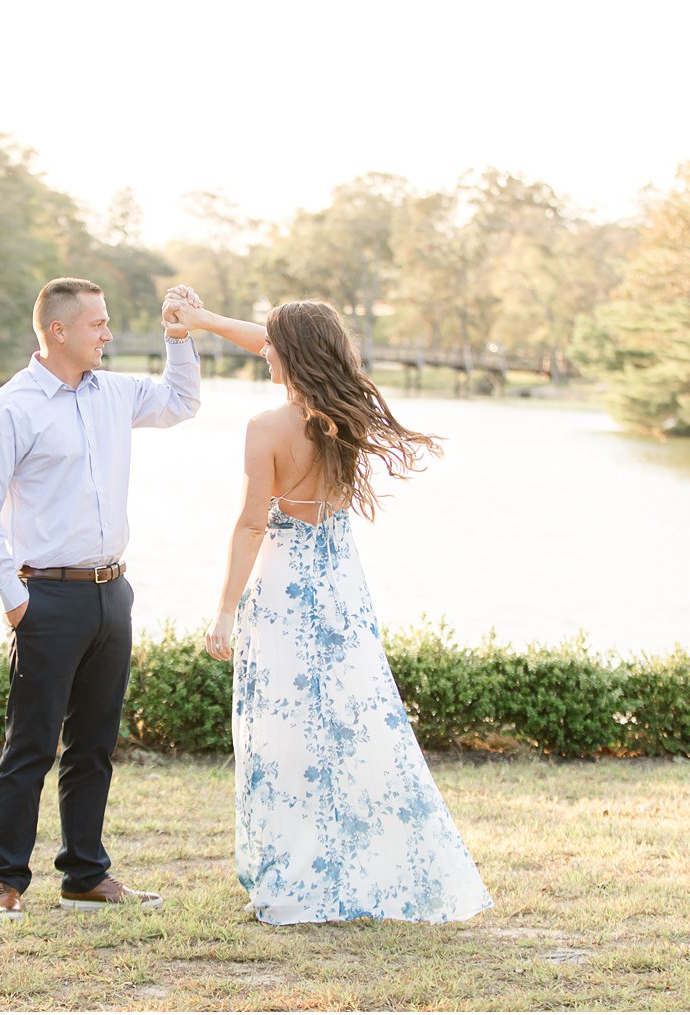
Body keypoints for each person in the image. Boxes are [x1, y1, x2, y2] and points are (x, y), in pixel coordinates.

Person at [162, 290, 494, 926]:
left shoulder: (266, 429)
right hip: (340, 589)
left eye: (272, 349)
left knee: (283, 732)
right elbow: (271, 340)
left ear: (293, 355)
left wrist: (225, 611)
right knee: (354, 724)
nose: (264, 354)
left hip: (284, 591)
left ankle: (296, 872)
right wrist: (201, 322)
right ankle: (358, 864)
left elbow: (250, 526)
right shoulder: (347, 413)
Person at [0, 277, 207, 921]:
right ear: (59, 331)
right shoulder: (9, 409)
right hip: (45, 598)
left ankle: (86, 875)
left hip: (110, 593)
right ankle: (5, 883)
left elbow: (181, 401)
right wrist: (15, 599)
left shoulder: (114, 392)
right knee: (30, 747)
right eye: (97, 323)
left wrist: (178, 336)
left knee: (94, 745)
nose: (109, 333)